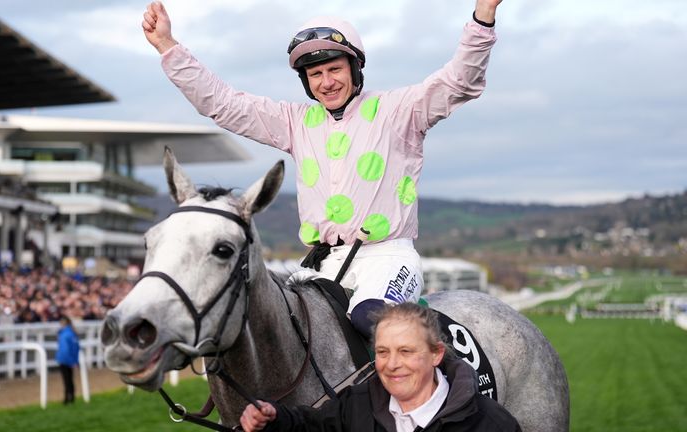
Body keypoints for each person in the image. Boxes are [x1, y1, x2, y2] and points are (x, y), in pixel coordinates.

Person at [142, 0, 503, 338]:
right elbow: (223, 104)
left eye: (334, 69)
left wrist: (483, 14)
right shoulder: (295, 122)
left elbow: (460, 82)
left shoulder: (400, 111)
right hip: (323, 263)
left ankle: (450, 391)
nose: (326, 82)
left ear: (355, 69)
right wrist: (169, 47)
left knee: (370, 321)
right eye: (316, 74)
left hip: (387, 258)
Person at [239, 302, 521, 431]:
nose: (393, 365)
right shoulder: (357, 404)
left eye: (406, 351)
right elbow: (309, 425)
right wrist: (272, 419)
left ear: (436, 354)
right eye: (383, 352)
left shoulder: (490, 423)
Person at [56, 315, 80, 404]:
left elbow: (69, 349)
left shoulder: (65, 334)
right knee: (69, 380)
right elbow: (76, 348)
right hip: (68, 360)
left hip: (65, 360)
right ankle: (70, 398)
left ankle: (67, 399)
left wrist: (73, 361)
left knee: (67, 380)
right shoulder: (70, 333)